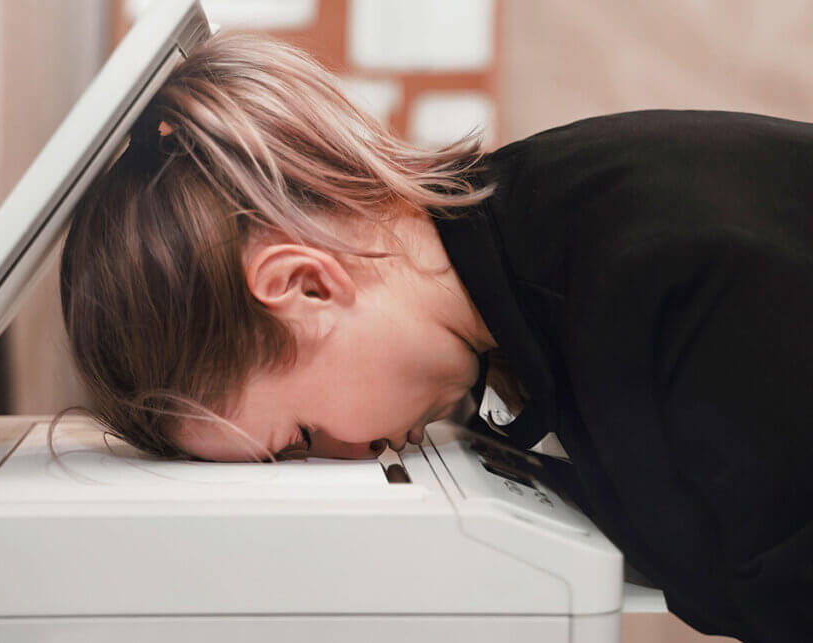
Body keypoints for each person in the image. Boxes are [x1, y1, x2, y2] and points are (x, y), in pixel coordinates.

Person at [58, 32, 812, 642]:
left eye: (301, 439)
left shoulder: (659, 270)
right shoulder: (518, 299)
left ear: (307, 285)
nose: (344, 461)